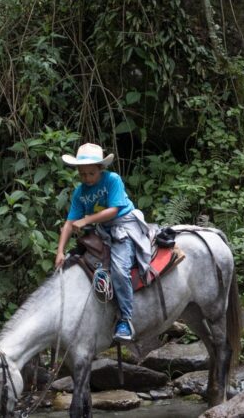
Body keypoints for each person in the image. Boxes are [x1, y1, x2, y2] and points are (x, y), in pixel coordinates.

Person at [54, 143, 154, 342]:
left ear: (100, 168)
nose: (87, 178)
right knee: (80, 266)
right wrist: (60, 252)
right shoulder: (79, 192)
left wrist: (87, 220)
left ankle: (125, 319)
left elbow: (114, 210)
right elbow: (68, 223)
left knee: (119, 269)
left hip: (123, 227)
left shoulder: (112, 180)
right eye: (82, 174)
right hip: (101, 231)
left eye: (91, 173)